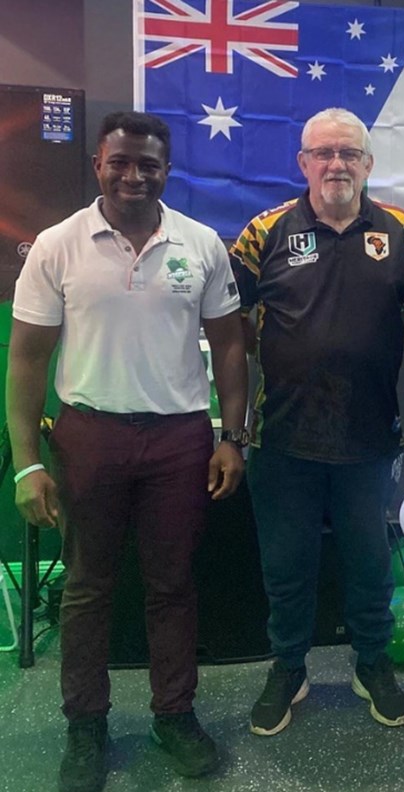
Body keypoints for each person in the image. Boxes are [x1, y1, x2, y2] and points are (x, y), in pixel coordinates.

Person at [7, 110, 249, 792]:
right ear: (99, 165)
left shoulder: (200, 244)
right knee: (86, 589)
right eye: (121, 162)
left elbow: (231, 345)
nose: (134, 174)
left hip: (179, 438)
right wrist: (27, 463)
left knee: (172, 585)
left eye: (148, 164)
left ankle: (174, 715)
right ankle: (86, 726)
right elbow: (26, 362)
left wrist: (233, 436)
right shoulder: (57, 246)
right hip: (90, 435)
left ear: (166, 171)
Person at [228, 107, 404, 737]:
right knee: (287, 568)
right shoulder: (264, 232)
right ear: (303, 162)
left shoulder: (402, 231)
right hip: (283, 437)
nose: (336, 164)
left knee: (370, 565)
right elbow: (234, 325)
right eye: (324, 153)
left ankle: (373, 665)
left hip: (368, 438)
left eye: (349, 153)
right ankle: (289, 668)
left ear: (368, 164)